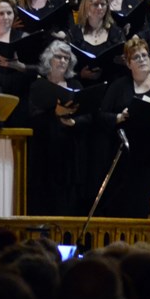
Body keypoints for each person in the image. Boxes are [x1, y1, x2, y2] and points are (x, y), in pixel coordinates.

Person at [100, 36, 150, 218]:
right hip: (129, 160)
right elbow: (102, 116)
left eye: (144, 55)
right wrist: (119, 117)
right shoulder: (119, 86)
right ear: (128, 64)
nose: (142, 60)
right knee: (132, 208)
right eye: (136, 57)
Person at [26, 40, 90, 215]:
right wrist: (55, 112)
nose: (62, 61)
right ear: (49, 59)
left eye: (66, 58)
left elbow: (88, 117)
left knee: (67, 205)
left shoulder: (75, 86)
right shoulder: (38, 86)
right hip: (44, 153)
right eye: (58, 57)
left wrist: (74, 122)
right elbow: (32, 117)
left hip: (70, 154)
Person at [66, 0, 126, 84]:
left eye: (103, 4)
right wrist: (80, 75)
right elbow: (64, 67)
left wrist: (123, 61)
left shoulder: (116, 33)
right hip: (81, 86)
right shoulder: (74, 33)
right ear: (86, 7)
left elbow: (123, 68)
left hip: (110, 86)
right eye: (95, 4)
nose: (100, 8)